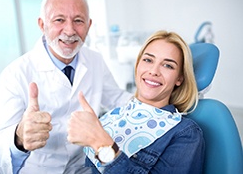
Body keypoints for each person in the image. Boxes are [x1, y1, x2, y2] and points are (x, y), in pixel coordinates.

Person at [0, 0, 132, 173]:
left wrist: (157, 102)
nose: (70, 30)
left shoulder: (95, 60)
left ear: (88, 25)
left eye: (78, 21)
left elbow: (118, 99)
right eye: (59, 20)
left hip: (83, 167)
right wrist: (19, 138)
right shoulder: (16, 73)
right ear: (42, 24)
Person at [67, 30, 205, 173]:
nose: (153, 71)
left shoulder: (185, 134)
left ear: (179, 79)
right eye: (148, 60)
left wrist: (101, 143)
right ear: (137, 65)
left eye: (168, 65)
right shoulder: (116, 115)